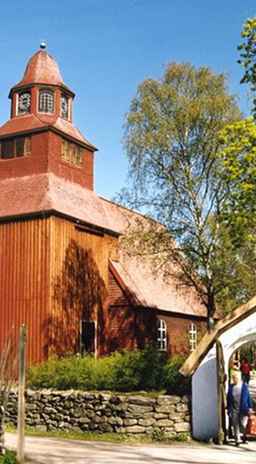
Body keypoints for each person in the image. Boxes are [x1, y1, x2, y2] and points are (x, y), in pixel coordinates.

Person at [227, 370, 253, 446]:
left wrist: (250, 407)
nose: (234, 379)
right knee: (235, 424)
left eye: (235, 377)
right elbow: (228, 398)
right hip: (234, 408)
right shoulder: (231, 387)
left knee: (243, 425)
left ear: (239, 378)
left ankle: (244, 436)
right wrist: (228, 409)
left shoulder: (244, 386)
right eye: (233, 378)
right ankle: (237, 439)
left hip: (244, 408)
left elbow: (249, 397)